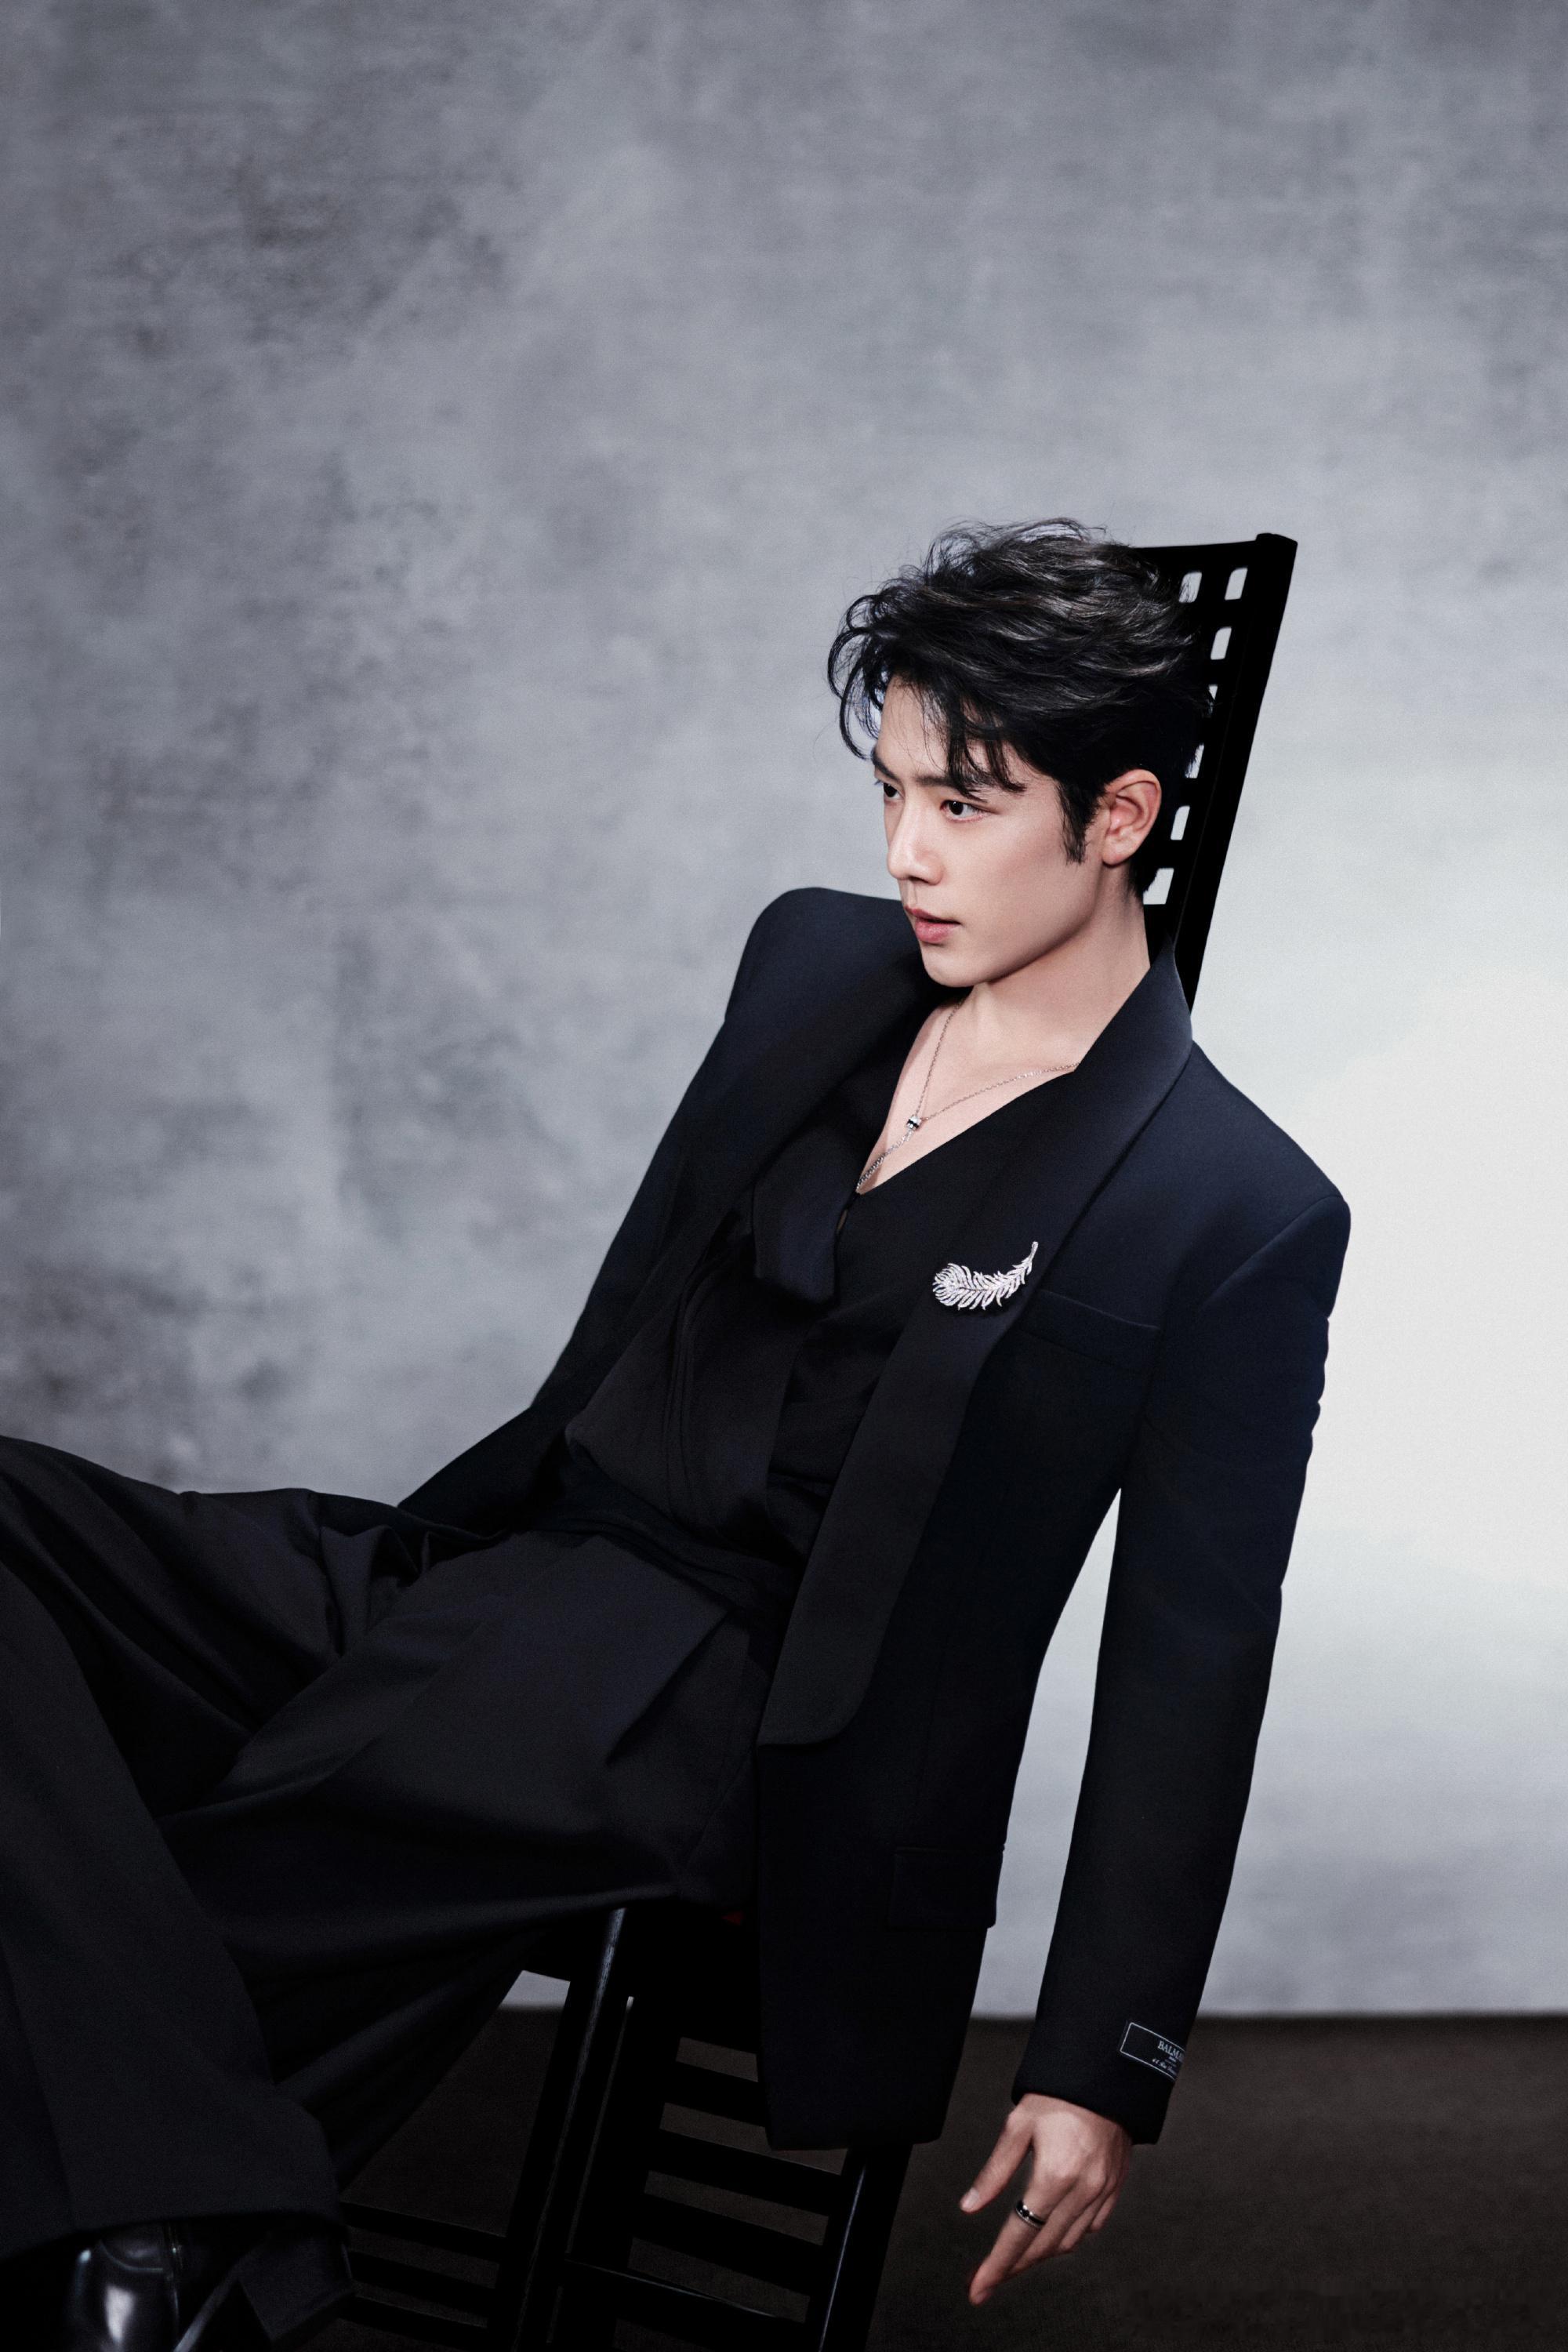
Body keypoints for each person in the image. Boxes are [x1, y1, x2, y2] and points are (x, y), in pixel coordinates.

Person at [0, 521, 1348, 2347]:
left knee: (249, 1850)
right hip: (494, 1569)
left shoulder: (1227, 1202)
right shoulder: (816, 967)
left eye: (963, 806)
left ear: (1118, 818)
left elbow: (1194, 1653)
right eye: (889, 792)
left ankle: (151, 2244)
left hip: (712, 1700)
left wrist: (1100, 2061)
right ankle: (178, 2236)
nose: (906, 852)